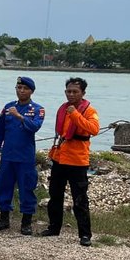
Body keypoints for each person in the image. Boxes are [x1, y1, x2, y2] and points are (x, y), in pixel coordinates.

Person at [40, 77, 100, 246]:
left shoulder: (88, 110)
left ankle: (85, 234)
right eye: (69, 91)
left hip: (78, 161)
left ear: (83, 93)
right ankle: (54, 227)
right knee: (55, 195)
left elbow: (94, 129)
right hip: (60, 157)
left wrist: (75, 114)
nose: (71, 94)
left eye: (75, 91)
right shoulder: (63, 109)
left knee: (80, 198)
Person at [0, 77, 45, 235]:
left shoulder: (37, 109)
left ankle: (26, 222)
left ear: (31, 91)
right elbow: (0, 131)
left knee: (27, 188)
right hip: (7, 156)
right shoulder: (8, 108)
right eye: (19, 87)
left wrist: (20, 117)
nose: (21, 91)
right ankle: (4, 218)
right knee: (4, 187)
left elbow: (35, 127)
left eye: (25, 88)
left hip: (25, 157)